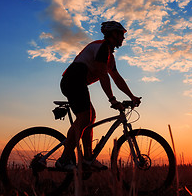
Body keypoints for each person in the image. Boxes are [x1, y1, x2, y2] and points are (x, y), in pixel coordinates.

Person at [56, 21, 141, 170]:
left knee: (90, 117)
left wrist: (132, 96)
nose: (123, 38)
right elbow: (103, 75)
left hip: (78, 83)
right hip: (72, 81)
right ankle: (64, 160)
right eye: (121, 34)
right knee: (84, 118)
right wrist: (112, 100)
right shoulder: (102, 48)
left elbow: (117, 78)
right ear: (113, 34)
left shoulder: (109, 55)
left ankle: (87, 158)